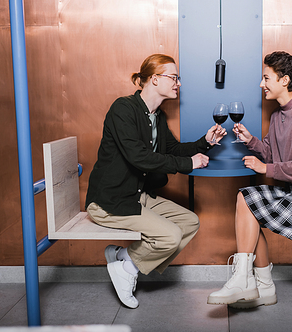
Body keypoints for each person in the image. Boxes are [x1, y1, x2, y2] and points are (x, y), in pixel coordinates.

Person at [85, 54, 226, 308]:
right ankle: (127, 268)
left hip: (137, 196)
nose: (178, 83)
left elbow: (173, 150)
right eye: (173, 78)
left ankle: (124, 259)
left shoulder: (157, 117)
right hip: (111, 200)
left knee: (190, 222)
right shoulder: (123, 109)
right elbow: (139, 158)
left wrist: (205, 143)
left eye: (177, 78)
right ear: (153, 79)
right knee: (171, 236)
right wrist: (188, 164)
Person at [207, 51, 292, 308]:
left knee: (248, 201)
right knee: (248, 200)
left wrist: (265, 168)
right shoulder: (278, 116)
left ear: (285, 80)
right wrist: (251, 142)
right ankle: (261, 286)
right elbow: (272, 153)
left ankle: (246, 280)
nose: (261, 84)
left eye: (266, 78)